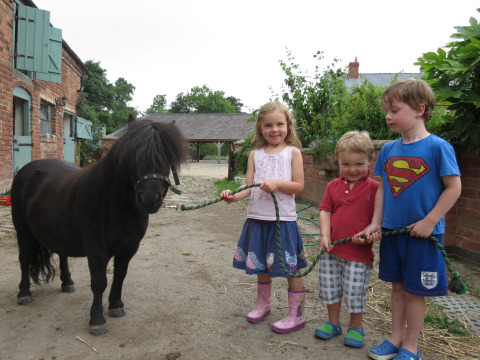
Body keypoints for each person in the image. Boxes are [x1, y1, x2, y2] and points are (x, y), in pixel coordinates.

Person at [361, 78, 462, 360]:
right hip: (393, 234)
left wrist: (430, 221)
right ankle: (395, 338)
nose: (388, 116)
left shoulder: (438, 147)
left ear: (419, 109)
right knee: (396, 288)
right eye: (386, 110)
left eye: (394, 110)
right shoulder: (389, 150)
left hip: (424, 236)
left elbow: (454, 188)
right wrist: (375, 222)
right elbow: (383, 188)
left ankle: (411, 345)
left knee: (416, 292)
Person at [221, 101, 308, 334]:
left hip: (283, 221)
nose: (274, 129)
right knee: (261, 265)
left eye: (280, 124)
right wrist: (233, 196)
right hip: (257, 218)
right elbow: (248, 186)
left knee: (291, 268)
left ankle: (296, 314)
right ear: (260, 128)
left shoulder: (293, 153)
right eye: (268, 125)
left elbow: (299, 187)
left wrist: (278, 184)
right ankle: (263, 304)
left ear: (288, 126)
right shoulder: (255, 155)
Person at [314, 131, 379, 348]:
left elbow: (379, 220)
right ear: (338, 161)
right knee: (330, 288)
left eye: (359, 163)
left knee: (355, 291)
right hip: (331, 250)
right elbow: (325, 210)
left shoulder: (375, 189)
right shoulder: (333, 186)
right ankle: (333, 323)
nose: (352, 169)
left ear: (370, 160)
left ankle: (355, 327)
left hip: (358, 254)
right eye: (346, 164)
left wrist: (370, 233)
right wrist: (325, 236)